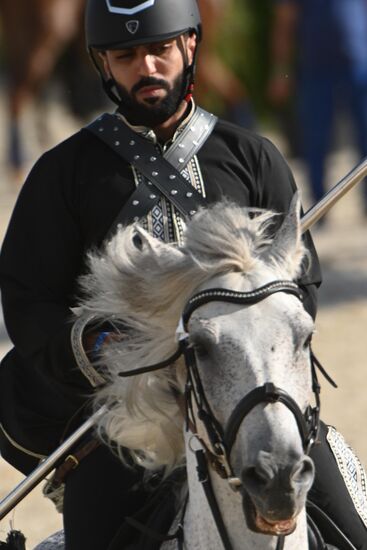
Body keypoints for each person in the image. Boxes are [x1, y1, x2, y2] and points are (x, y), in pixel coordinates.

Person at [0, 1, 364, 548]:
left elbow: (302, 288)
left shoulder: (254, 157)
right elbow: (28, 306)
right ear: (103, 63)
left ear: (190, 46)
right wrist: (103, 346)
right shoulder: (61, 174)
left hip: (248, 403)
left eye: (160, 49)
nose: (146, 67)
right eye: (126, 55)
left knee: (353, 535)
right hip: (128, 425)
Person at [268, 0, 367, 213]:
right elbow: (284, 23)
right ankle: (319, 208)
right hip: (317, 69)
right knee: (316, 138)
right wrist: (280, 70)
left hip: (358, 65)